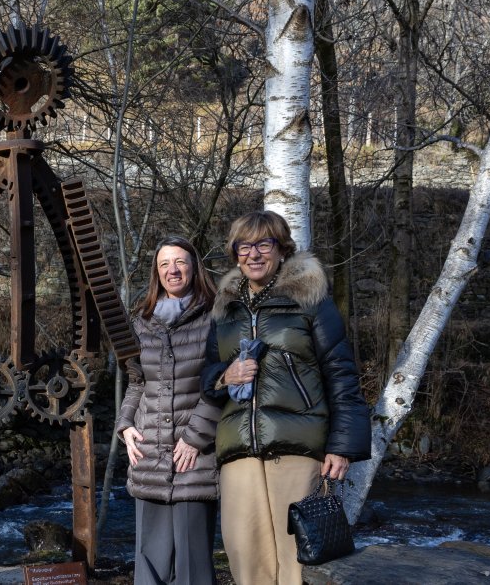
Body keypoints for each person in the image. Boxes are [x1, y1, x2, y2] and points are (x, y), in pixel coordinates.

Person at [201, 210, 371, 585]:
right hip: (238, 451)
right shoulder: (224, 309)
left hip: (297, 449)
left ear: (282, 249)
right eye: (244, 246)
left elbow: (341, 375)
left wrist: (342, 447)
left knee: (298, 565)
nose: (254, 254)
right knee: (247, 562)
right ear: (234, 253)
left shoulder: (311, 300)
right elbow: (207, 372)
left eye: (264, 244)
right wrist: (223, 376)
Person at [117, 236, 220, 585]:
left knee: (193, 567)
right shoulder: (141, 320)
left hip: (196, 457)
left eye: (179, 262)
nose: (172, 270)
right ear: (156, 272)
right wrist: (125, 423)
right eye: (164, 264)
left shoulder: (216, 316)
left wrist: (195, 438)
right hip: (147, 453)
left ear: (194, 267)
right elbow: (136, 382)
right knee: (149, 563)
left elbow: (222, 384)